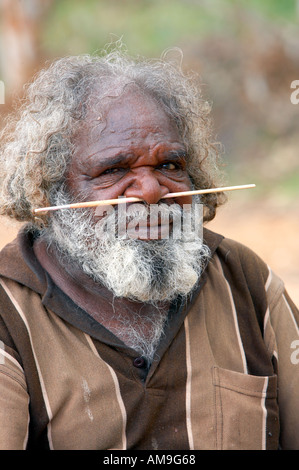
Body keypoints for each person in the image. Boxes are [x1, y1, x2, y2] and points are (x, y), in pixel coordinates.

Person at [0, 47, 298, 451]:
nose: (152, 192)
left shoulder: (245, 280)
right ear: (52, 191)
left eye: (169, 166)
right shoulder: (8, 312)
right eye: (115, 170)